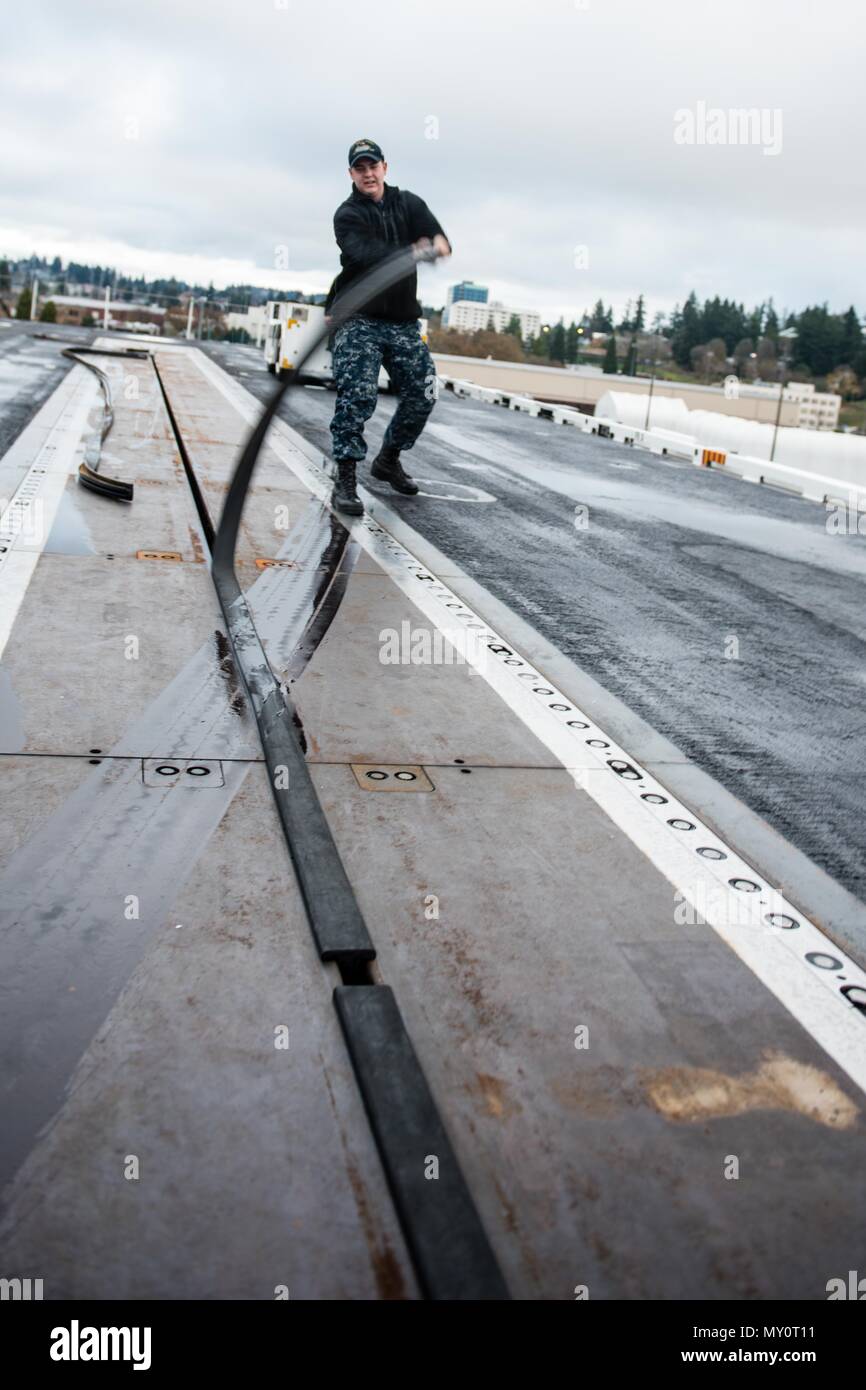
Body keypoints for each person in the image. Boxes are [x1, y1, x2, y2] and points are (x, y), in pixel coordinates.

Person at [325, 138, 451, 516]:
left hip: (401, 321)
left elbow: (439, 240)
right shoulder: (347, 214)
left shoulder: (408, 203)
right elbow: (364, 256)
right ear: (351, 173)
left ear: (384, 167)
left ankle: (389, 458)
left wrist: (438, 245)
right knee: (358, 396)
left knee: (423, 392)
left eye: (373, 166)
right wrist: (413, 252)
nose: (368, 173)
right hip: (357, 318)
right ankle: (345, 479)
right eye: (360, 168)